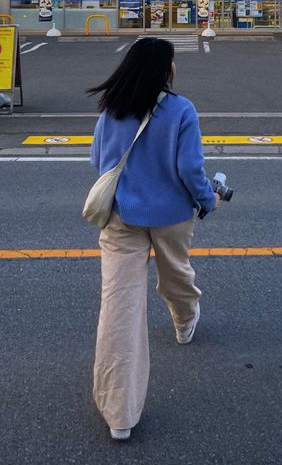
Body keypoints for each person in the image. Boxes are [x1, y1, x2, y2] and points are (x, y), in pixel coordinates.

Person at [87, 37, 219, 441]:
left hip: (120, 216)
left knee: (119, 305)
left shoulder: (112, 108)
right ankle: (184, 320)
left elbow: (98, 160)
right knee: (176, 272)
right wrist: (207, 200)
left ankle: (119, 415)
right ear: (166, 69)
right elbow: (190, 169)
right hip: (172, 216)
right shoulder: (181, 110)